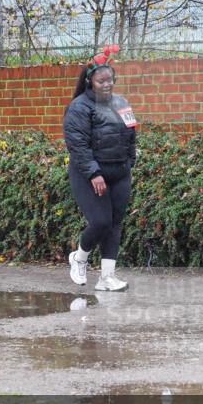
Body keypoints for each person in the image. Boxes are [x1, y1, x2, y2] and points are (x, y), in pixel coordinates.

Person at [63, 44, 137, 292]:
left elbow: (131, 134)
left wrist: (129, 164)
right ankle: (79, 257)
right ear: (89, 81)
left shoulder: (121, 102)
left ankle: (107, 277)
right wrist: (94, 173)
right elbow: (78, 144)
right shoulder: (79, 108)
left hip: (119, 172)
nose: (107, 84)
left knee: (115, 223)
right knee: (101, 221)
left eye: (110, 79)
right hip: (89, 174)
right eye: (101, 80)